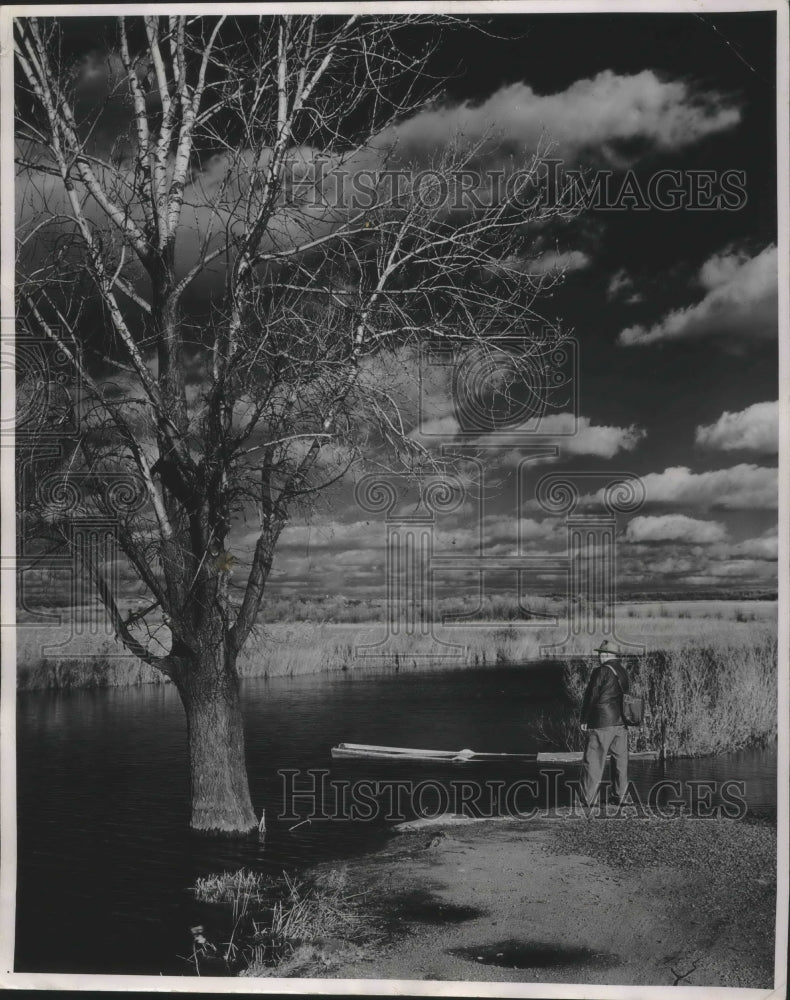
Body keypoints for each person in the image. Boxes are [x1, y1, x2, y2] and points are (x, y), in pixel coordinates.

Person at [579, 640, 630, 806]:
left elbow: (592, 696)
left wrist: (585, 719)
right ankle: (620, 796)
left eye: (602, 653)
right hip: (621, 723)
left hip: (601, 722)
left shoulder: (600, 671)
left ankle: (587, 799)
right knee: (620, 763)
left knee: (593, 761)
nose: (599, 655)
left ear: (609, 655)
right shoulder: (622, 671)